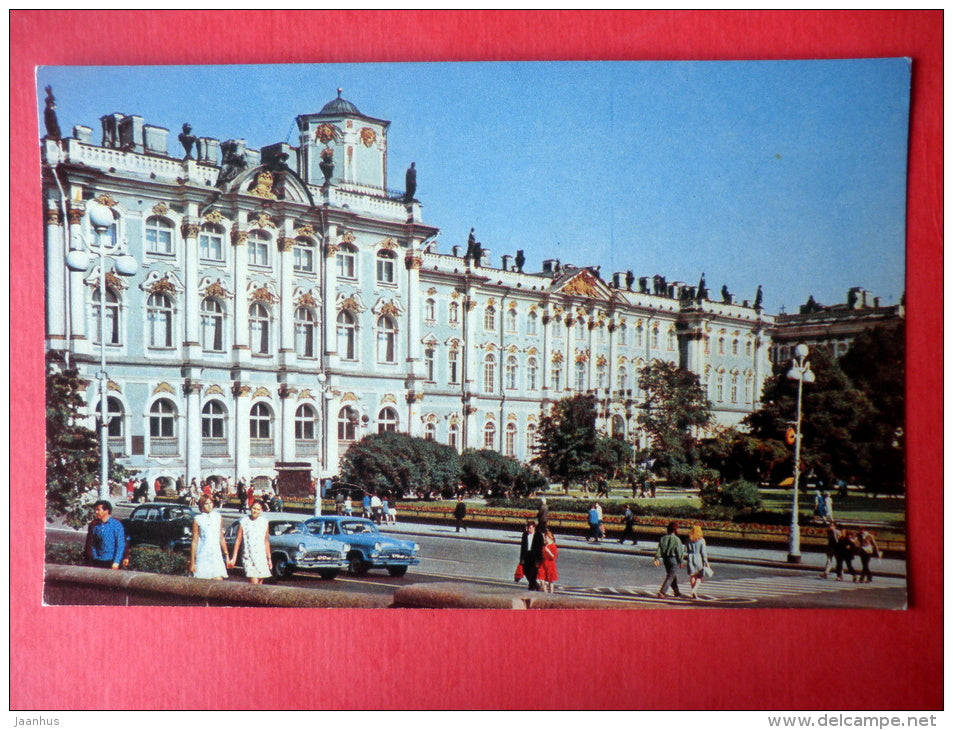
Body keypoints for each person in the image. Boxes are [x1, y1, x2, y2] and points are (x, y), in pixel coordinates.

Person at [227, 499, 271, 584]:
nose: (255, 511)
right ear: (250, 508)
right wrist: (234, 557)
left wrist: (269, 559)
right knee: (254, 583)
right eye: (254, 508)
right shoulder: (244, 521)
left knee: (260, 584)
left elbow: (266, 541)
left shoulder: (264, 522)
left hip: (261, 556)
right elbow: (238, 540)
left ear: (261, 510)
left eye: (258, 509)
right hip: (248, 556)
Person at [189, 495, 228, 580]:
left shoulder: (218, 517)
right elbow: (194, 542)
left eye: (211, 503)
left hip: (215, 555)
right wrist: (192, 562)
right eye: (206, 504)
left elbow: (221, 537)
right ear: (201, 505)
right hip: (203, 555)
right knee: (203, 582)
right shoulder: (198, 519)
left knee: (218, 581)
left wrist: (226, 555)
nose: (209, 505)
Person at [84, 501, 126, 570]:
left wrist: (116, 562)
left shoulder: (116, 525)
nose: (96, 512)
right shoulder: (96, 526)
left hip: (111, 561)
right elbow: (94, 543)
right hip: (98, 561)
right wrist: (94, 556)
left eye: (98, 510)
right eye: (95, 510)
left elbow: (120, 545)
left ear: (106, 511)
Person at [654, 522, 686, 598]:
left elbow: (659, 549)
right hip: (674, 560)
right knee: (671, 576)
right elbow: (679, 551)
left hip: (665, 559)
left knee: (672, 575)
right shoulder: (677, 539)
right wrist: (681, 561)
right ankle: (662, 592)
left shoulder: (663, 538)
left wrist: (657, 558)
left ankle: (676, 592)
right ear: (675, 530)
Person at [684, 525, 711, 599]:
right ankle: (694, 589)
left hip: (690, 558)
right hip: (698, 558)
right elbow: (703, 552)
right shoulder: (702, 540)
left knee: (692, 576)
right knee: (700, 576)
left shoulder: (688, 539)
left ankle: (694, 592)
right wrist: (706, 561)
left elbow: (686, 550)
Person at [518, 521, 539, 591]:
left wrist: (538, 560)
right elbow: (523, 547)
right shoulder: (525, 535)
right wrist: (521, 558)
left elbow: (540, 548)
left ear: (534, 528)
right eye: (528, 528)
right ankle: (536, 585)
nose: (529, 530)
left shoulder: (538, 535)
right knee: (526, 571)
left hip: (534, 556)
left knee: (533, 572)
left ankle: (531, 588)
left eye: (530, 528)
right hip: (527, 554)